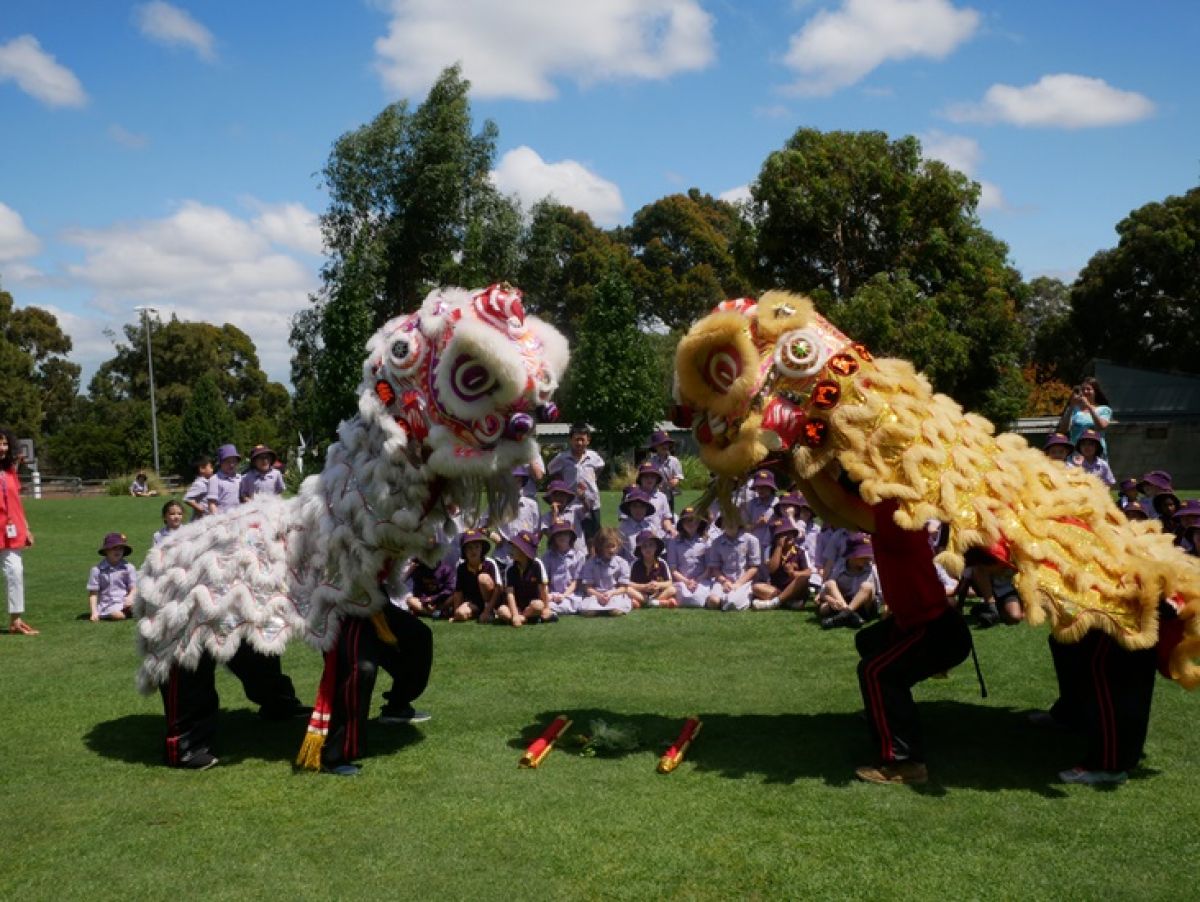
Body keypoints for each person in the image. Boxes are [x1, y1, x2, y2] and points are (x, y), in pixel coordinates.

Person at [805, 466, 972, 786]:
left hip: (934, 630)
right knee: (869, 642)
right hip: (917, 624)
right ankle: (889, 716)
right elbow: (834, 513)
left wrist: (806, 467)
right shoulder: (893, 510)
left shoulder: (896, 514)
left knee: (875, 672)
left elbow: (839, 505)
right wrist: (801, 475)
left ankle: (905, 763)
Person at [317, 599, 434, 776]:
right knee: (361, 669)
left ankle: (397, 706)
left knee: (418, 636)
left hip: (373, 599)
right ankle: (334, 753)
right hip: (342, 605)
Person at [1, 428, 36, 635]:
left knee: (15, 571)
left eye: (5, 444)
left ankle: (16, 620)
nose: (2, 448)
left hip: (11, 534)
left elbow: (16, 503)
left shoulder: (10, 472)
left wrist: (27, 529)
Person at [547, 423, 604, 544]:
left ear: (588, 440)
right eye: (576, 439)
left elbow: (600, 468)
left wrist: (592, 480)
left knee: (593, 539)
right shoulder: (562, 458)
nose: (579, 443)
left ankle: (592, 561)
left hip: (592, 504)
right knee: (574, 537)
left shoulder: (593, 457)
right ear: (570, 440)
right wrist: (560, 485)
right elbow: (551, 470)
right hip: (571, 505)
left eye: (582, 440)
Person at [699, 515, 760, 611]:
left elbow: (754, 568)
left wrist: (738, 584)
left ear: (739, 523)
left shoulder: (751, 540)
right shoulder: (716, 542)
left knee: (732, 603)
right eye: (726, 522)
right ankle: (722, 599)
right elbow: (715, 568)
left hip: (743, 581)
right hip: (723, 580)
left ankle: (741, 598)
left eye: (733, 521)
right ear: (722, 525)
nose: (730, 524)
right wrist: (724, 581)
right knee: (713, 601)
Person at [817, 533, 878, 629]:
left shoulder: (872, 569)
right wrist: (830, 599)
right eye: (863, 557)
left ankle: (841, 617)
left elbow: (881, 594)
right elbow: (824, 591)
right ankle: (849, 614)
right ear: (851, 556)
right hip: (845, 601)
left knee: (867, 586)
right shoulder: (840, 567)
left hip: (865, 606)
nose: (867, 559)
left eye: (868, 556)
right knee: (828, 591)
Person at [752, 517, 812, 611]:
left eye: (790, 533)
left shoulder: (800, 552)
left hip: (795, 588)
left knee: (803, 579)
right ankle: (787, 601)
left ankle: (773, 603)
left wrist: (793, 573)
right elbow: (772, 569)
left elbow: (808, 573)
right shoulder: (770, 550)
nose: (788, 536)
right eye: (783, 534)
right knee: (756, 587)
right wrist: (779, 547)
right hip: (777, 589)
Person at [575, 527, 638, 616]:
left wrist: (611, 593)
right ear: (600, 547)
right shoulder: (590, 563)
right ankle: (597, 609)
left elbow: (624, 588)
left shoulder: (622, 563)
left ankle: (613, 608)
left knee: (616, 608)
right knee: (588, 609)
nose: (611, 550)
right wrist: (598, 595)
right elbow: (587, 587)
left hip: (614, 594)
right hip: (595, 594)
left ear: (618, 546)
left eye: (613, 546)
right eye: (607, 547)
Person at [488, 466, 540, 568]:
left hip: (526, 556)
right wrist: (492, 535)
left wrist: (532, 545)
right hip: (503, 556)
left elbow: (537, 531)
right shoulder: (497, 504)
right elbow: (479, 524)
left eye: (518, 481)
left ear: (522, 483)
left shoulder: (532, 505)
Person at [960, 542, 1022, 628]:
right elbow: (964, 584)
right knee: (977, 570)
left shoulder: (1016, 559)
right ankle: (990, 607)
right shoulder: (979, 564)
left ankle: (985, 610)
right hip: (988, 592)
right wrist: (959, 607)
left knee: (1014, 617)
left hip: (1008, 592)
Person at [446, 528, 502, 622]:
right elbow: (458, 592)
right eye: (470, 548)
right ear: (464, 551)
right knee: (460, 613)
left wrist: (487, 611)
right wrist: (456, 613)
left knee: (483, 578)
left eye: (477, 547)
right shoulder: (461, 567)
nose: (474, 551)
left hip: (492, 601)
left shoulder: (490, 563)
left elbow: (498, 589)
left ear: (481, 549)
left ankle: (491, 612)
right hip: (473, 602)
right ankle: (478, 612)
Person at [503, 530, 553, 625]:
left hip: (532, 605)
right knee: (503, 611)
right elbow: (510, 594)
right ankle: (524, 618)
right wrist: (515, 614)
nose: (511, 550)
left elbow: (543, 588)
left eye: (515, 548)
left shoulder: (537, 564)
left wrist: (547, 608)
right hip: (516, 605)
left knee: (538, 605)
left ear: (524, 551)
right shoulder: (510, 568)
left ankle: (524, 617)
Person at [88, 532, 138, 621]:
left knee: (139, 605)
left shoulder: (129, 567)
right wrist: (94, 612)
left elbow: (134, 588)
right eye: (114, 548)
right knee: (116, 614)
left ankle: (130, 612)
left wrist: (130, 597)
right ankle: (127, 614)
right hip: (106, 606)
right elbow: (93, 594)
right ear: (106, 550)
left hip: (125, 603)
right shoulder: (97, 570)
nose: (118, 551)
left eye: (121, 549)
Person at [667, 507, 711, 609]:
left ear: (700, 522)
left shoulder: (706, 542)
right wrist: (686, 582)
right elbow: (673, 570)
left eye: (694, 520)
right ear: (681, 523)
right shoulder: (674, 542)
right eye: (687, 520)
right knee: (687, 599)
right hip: (682, 580)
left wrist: (697, 581)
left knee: (698, 600)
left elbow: (709, 569)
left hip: (701, 580)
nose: (691, 523)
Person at [1058, 376, 1114, 455]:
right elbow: (1063, 430)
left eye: (1088, 389)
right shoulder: (1074, 409)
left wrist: (1089, 407)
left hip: (1096, 452)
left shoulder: (1104, 409)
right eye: (1083, 389)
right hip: (1076, 452)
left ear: (1095, 392)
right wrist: (1071, 407)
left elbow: (1101, 426)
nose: (1085, 391)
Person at [541, 519, 583, 616]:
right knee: (541, 604)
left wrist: (564, 595)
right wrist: (547, 595)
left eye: (565, 534)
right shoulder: (547, 556)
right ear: (553, 538)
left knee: (573, 605)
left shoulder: (579, 556)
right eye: (558, 534)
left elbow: (576, 581)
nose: (562, 537)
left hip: (570, 594)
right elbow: (544, 580)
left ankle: (551, 612)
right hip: (552, 593)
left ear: (571, 536)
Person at [741, 469, 778, 574]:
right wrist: (757, 524)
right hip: (753, 547)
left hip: (771, 547)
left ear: (771, 488)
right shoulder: (750, 505)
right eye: (758, 487)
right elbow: (743, 528)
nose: (760, 490)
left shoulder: (778, 505)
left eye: (764, 487)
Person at [629, 530, 676, 608]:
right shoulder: (635, 564)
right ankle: (658, 603)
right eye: (644, 546)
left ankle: (646, 603)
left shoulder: (662, 563)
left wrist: (658, 585)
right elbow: (629, 583)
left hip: (658, 593)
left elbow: (669, 582)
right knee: (628, 590)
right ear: (640, 549)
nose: (648, 549)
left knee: (672, 589)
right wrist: (644, 587)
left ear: (656, 547)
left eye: (651, 545)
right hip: (641, 593)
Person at [540, 480, 587, 557]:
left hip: (578, 553)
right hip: (556, 557)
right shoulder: (546, 517)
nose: (559, 498)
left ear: (567, 497)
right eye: (555, 495)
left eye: (562, 495)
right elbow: (550, 535)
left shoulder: (574, 510)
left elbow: (586, 509)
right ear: (550, 499)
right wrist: (555, 515)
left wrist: (583, 499)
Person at [617, 488, 662, 562]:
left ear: (646, 509)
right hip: (629, 568)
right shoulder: (623, 529)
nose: (638, 510)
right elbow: (618, 555)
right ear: (629, 508)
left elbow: (658, 552)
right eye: (634, 506)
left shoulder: (651, 527)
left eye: (642, 507)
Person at [645, 430, 683, 512]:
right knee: (655, 513)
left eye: (667, 444)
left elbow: (678, 475)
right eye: (661, 444)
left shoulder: (674, 461)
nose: (665, 446)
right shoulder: (651, 462)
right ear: (655, 446)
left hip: (669, 494)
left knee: (668, 514)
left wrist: (675, 480)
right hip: (654, 494)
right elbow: (647, 477)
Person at [207, 444, 242, 515]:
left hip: (239, 516)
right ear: (220, 462)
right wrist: (217, 518)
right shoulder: (215, 479)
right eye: (228, 462)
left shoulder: (239, 478)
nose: (231, 464)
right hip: (223, 518)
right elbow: (212, 503)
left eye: (234, 461)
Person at [183, 455, 213, 521]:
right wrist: (200, 508)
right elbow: (187, 498)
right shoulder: (199, 484)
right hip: (199, 520)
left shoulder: (207, 482)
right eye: (210, 467)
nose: (212, 470)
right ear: (202, 469)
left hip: (206, 518)